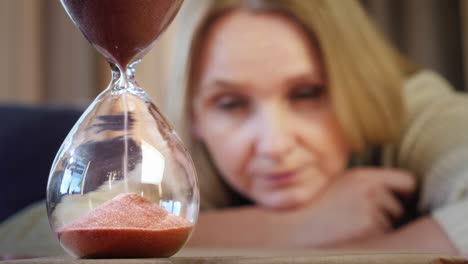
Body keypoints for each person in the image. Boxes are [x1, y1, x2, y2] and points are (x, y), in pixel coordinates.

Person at [163, 0, 468, 254]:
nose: (275, 145)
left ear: (360, 86)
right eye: (231, 104)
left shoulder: (419, 111)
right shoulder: (177, 157)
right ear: (195, 116)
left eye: (306, 93)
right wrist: (291, 229)